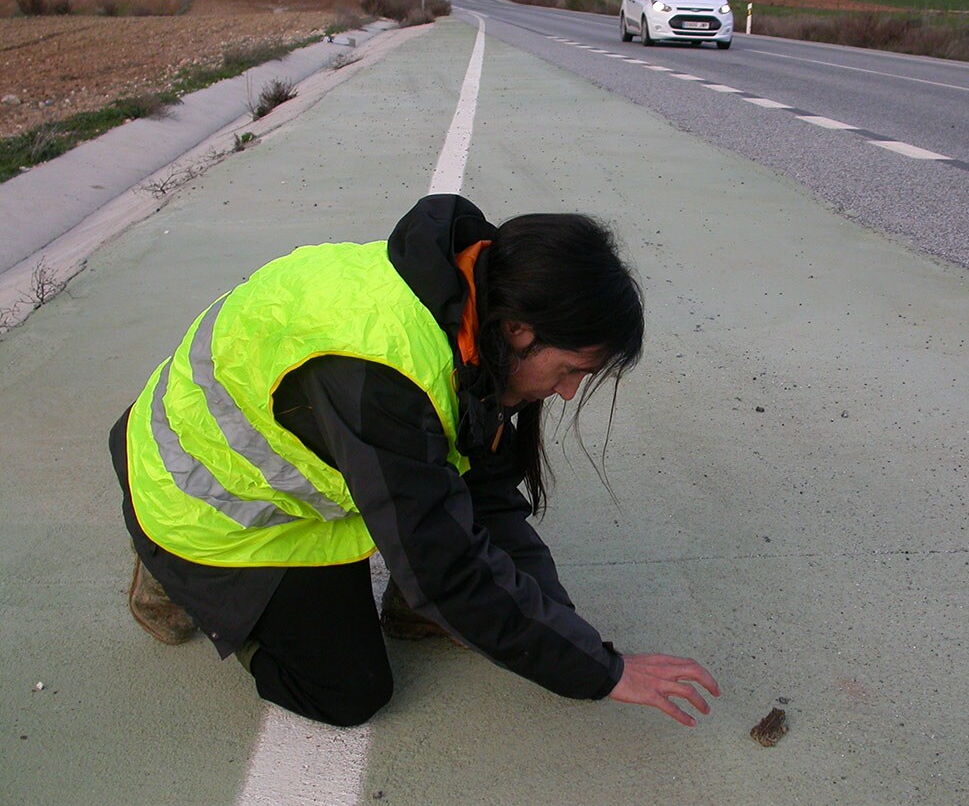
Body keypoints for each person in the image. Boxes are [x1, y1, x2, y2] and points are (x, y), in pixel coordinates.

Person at [111, 193, 719, 728]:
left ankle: (415, 606)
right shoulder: (384, 378)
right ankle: (167, 567)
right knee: (348, 692)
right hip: (204, 504)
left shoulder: (466, 300)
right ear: (519, 331)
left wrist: (562, 625)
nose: (565, 393)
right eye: (570, 372)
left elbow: (487, 495)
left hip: (303, 462)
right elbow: (447, 567)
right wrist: (603, 672)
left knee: (465, 555)